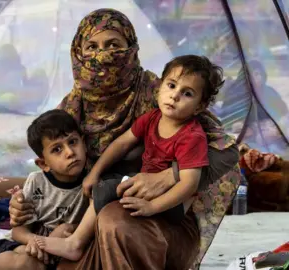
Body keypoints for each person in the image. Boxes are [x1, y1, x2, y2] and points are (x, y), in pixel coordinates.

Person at [9, 8, 241, 270]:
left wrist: (169, 175)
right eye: (92, 46)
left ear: (131, 48)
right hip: (88, 219)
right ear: (78, 53)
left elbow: (229, 152)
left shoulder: (159, 93)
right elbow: (56, 173)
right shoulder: (71, 110)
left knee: (113, 220)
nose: (102, 55)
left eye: (113, 45)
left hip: (159, 218)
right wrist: (22, 207)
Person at [33, 55, 224, 261]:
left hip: (173, 203)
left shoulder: (191, 136)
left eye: (187, 93)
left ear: (199, 107)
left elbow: (188, 185)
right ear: (160, 87)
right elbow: (121, 144)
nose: (175, 96)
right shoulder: (152, 118)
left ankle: (75, 243)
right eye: (171, 85)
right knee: (107, 179)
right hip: (148, 186)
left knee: (106, 188)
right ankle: (80, 236)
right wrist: (95, 173)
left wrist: (153, 207)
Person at [0, 109, 89, 270]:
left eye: (73, 142)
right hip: (28, 245)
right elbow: (18, 231)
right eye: (57, 149)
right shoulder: (36, 182)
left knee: (63, 231)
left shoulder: (91, 182)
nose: (70, 152)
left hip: (60, 252)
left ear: (84, 143)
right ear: (44, 164)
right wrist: (33, 241)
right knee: (25, 261)